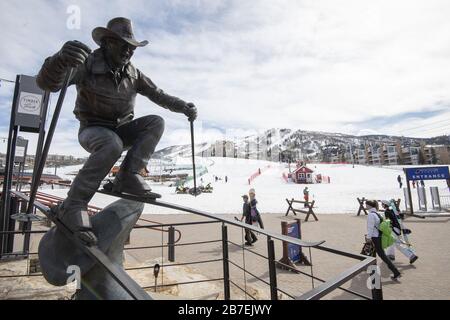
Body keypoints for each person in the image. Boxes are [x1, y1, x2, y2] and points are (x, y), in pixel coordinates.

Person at [36, 17, 197, 245]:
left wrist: (182, 106)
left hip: (120, 132)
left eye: (132, 48)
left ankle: (127, 176)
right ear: (107, 43)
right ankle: (73, 205)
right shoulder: (87, 64)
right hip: (93, 130)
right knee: (111, 143)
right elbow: (49, 84)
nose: (128, 52)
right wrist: (59, 61)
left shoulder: (134, 74)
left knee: (156, 122)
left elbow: (158, 94)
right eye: (124, 45)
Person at [366, 200, 401, 280]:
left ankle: (396, 272)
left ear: (369, 205)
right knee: (374, 254)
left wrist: (368, 237)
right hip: (378, 236)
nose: (365, 206)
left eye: (366, 204)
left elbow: (370, 228)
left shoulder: (371, 215)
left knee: (382, 255)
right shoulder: (377, 214)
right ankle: (372, 270)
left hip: (375, 237)